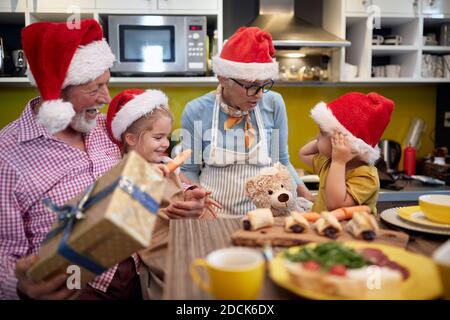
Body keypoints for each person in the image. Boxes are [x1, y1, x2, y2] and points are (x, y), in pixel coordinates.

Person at [0, 19, 137, 300]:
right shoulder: (7, 153)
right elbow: (4, 250)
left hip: (135, 273)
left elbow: (143, 168)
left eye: (107, 84)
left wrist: (180, 193)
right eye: (94, 88)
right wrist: (19, 286)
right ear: (57, 92)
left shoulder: (105, 127)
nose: (106, 98)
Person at [180, 26, 313, 217]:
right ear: (223, 78)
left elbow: (281, 161)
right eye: (251, 86)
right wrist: (196, 196)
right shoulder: (196, 111)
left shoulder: (274, 104)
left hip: (267, 214)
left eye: (263, 85)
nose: (259, 95)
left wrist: (306, 195)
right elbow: (189, 169)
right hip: (216, 214)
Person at [105, 88, 219, 299]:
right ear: (130, 139)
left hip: (187, 244)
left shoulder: (166, 162)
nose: (166, 143)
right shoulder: (125, 171)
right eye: (158, 137)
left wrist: (192, 192)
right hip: (161, 261)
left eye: (167, 136)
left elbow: (179, 186)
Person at [298, 92, 395, 214]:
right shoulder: (328, 163)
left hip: (348, 232)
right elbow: (303, 154)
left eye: (322, 132)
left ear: (347, 142)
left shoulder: (365, 177)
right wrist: (323, 142)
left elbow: (335, 205)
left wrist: (339, 162)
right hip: (321, 228)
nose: (316, 137)